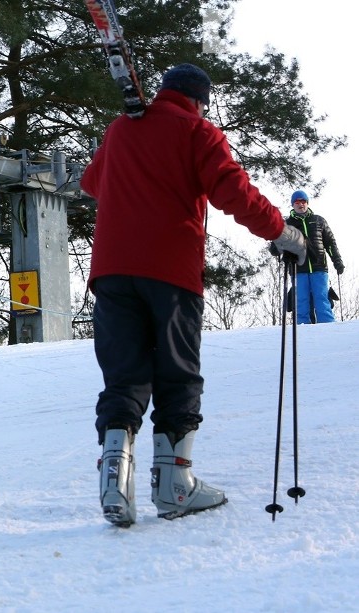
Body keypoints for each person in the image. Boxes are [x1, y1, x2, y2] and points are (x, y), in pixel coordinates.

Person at [80, 63, 307, 527]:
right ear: (200, 100)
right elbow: (234, 191)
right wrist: (282, 232)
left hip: (111, 271)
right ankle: (174, 486)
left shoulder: (122, 128)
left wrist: (133, 157)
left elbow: (91, 182)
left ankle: (114, 487)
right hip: (170, 271)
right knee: (178, 374)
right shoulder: (197, 131)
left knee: (123, 377)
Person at [285, 190, 344, 323]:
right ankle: (302, 330)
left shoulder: (319, 220)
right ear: (293, 205)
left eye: (303, 201)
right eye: (297, 202)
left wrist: (337, 261)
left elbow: (330, 243)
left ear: (307, 203)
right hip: (297, 269)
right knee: (301, 301)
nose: (301, 204)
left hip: (319, 267)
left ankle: (329, 327)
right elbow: (279, 243)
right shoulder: (287, 224)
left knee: (322, 299)